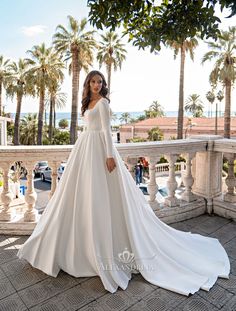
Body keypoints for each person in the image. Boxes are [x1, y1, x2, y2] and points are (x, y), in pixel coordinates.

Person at [17, 70, 230, 295]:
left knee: (102, 195)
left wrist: (109, 156)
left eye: (99, 82)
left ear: (103, 84)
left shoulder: (104, 104)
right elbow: (89, 129)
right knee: (78, 196)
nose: (97, 85)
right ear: (88, 84)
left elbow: (107, 132)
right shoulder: (88, 103)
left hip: (100, 151)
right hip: (84, 150)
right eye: (93, 81)